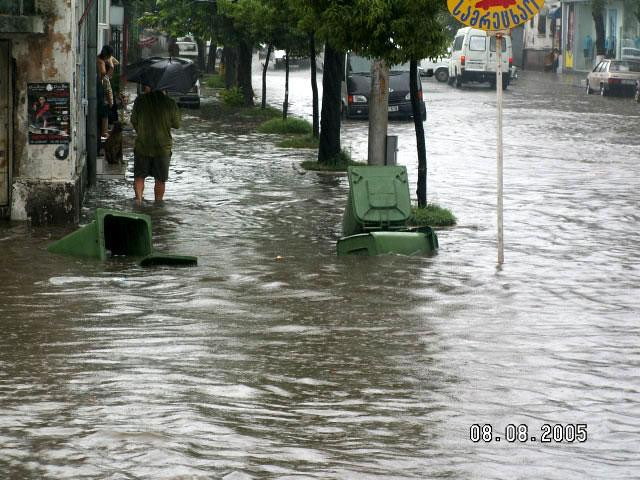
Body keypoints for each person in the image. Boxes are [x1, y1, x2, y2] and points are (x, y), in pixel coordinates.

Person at [130, 84, 181, 204]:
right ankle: (158, 205)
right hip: (162, 147)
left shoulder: (140, 100)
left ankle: (139, 202)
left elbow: (133, 120)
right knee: (160, 179)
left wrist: (141, 131)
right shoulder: (170, 103)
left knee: (139, 176)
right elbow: (177, 124)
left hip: (143, 145)